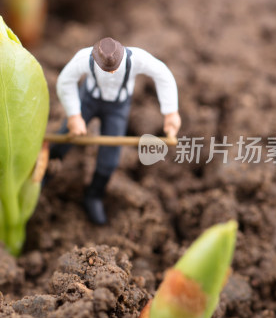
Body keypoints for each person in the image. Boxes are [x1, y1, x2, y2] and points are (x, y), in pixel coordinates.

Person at [52, 37, 181, 224]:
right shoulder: (84, 58)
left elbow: (163, 75)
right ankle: (49, 166)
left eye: (114, 68)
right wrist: (74, 115)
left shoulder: (137, 59)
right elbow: (65, 81)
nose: (111, 72)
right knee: (66, 136)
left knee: (109, 159)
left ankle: (93, 196)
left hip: (117, 108)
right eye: (106, 69)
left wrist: (170, 112)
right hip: (88, 100)